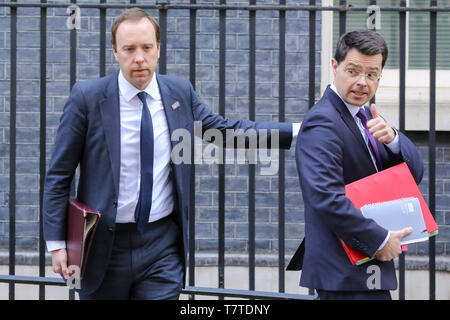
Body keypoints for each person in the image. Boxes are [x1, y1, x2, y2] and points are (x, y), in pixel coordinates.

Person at [43, 8, 299, 300]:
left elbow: (227, 131)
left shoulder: (179, 92)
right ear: (115, 51)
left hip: (161, 246)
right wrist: (56, 242)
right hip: (103, 246)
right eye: (129, 49)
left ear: (158, 49)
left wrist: (299, 130)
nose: (139, 58)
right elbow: (59, 175)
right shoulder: (87, 97)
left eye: (147, 47)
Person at [286, 29, 424, 300]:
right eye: (353, 71)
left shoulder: (366, 118)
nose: (362, 82)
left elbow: (414, 175)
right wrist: (379, 241)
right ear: (335, 66)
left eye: (371, 74)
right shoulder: (322, 122)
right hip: (345, 273)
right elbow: (325, 198)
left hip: (364, 272)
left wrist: (394, 140)